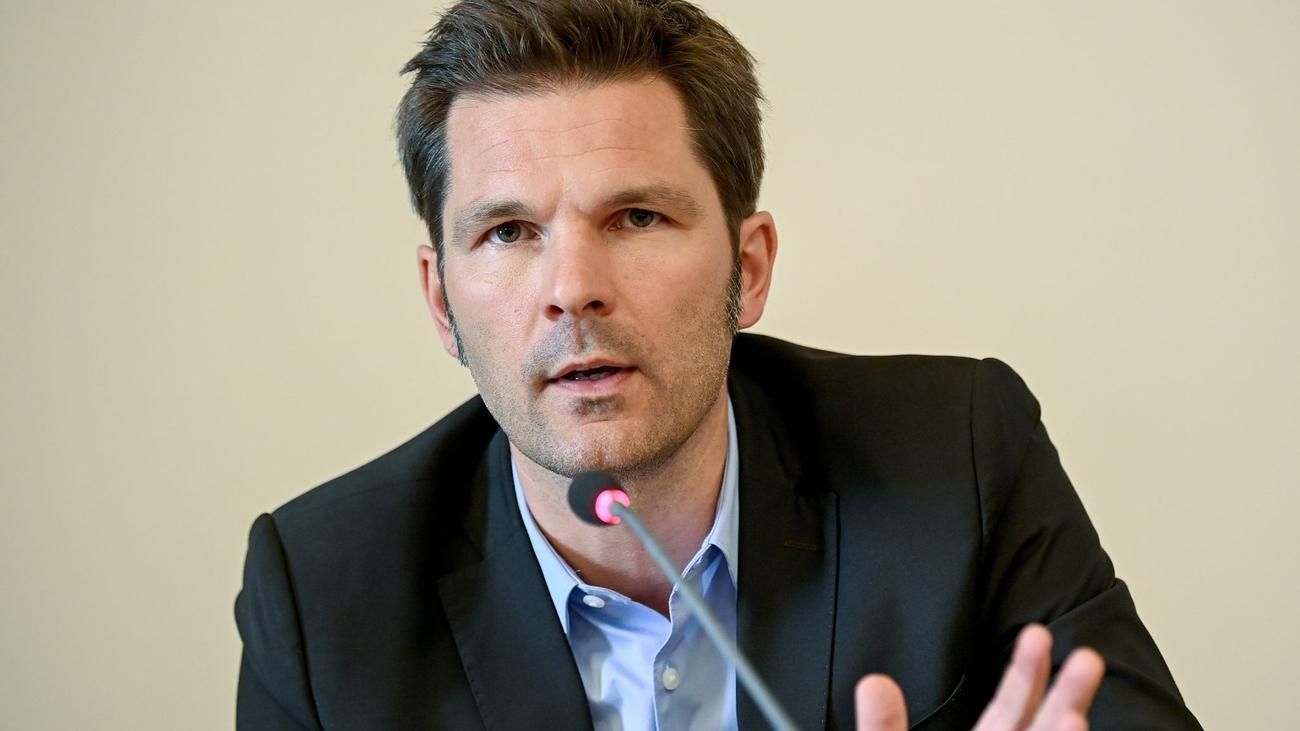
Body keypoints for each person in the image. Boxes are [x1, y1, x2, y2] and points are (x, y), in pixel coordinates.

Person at [234, 1, 1202, 729]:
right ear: (442, 299)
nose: (573, 289)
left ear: (750, 268)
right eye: (509, 231)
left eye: (636, 216)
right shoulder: (322, 595)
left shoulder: (959, 458)